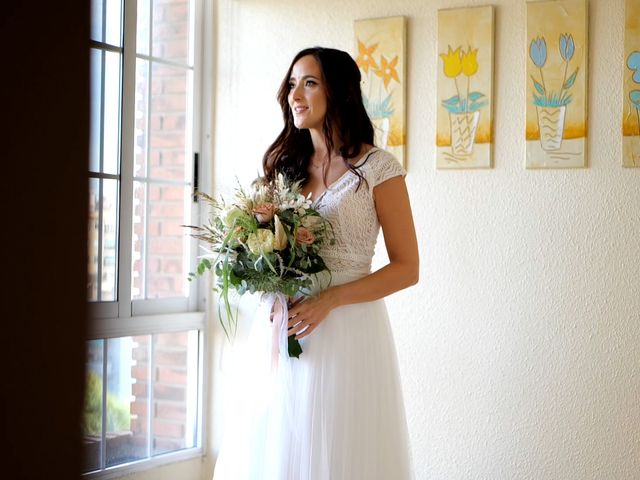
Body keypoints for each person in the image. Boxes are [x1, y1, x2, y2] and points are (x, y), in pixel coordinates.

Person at [213, 46, 419, 480]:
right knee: (280, 450)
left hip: (349, 332)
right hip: (285, 330)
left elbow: (407, 267)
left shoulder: (378, 168)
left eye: (309, 83)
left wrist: (331, 300)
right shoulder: (283, 168)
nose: (295, 95)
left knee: (341, 449)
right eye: (292, 84)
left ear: (339, 92)